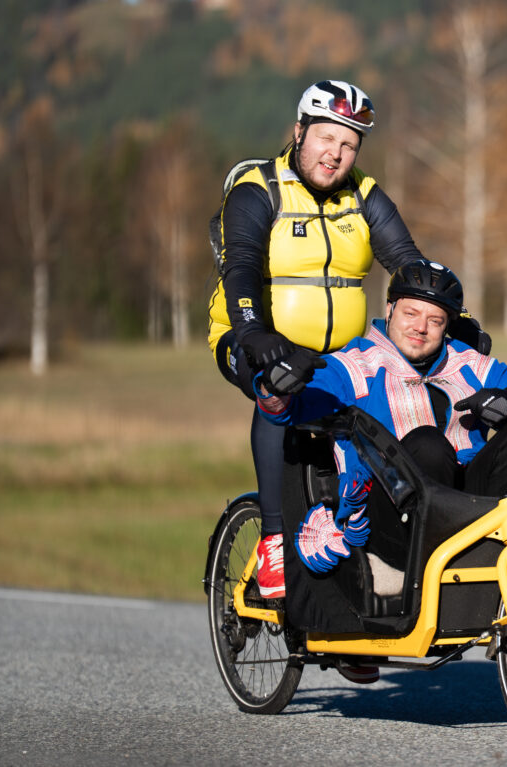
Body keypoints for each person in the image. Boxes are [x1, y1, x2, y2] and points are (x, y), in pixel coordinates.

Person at [207, 80, 483, 600]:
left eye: (349, 143)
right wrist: (252, 331)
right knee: (278, 389)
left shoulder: (365, 196)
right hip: (256, 340)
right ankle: (272, 540)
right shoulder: (257, 191)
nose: (335, 153)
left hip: (339, 354)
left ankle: (354, 586)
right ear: (299, 132)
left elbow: (409, 263)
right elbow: (240, 267)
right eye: (325, 137)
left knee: (378, 423)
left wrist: (459, 319)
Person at [254, 260, 507, 580]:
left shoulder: (468, 363)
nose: (421, 327)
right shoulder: (355, 365)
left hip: (473, 508)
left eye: (435, 320)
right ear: (390, 309)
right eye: (411, 314)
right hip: (391, 519)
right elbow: (283, 410)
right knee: (427, 443)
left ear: (447, 326)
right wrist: (275, 386)